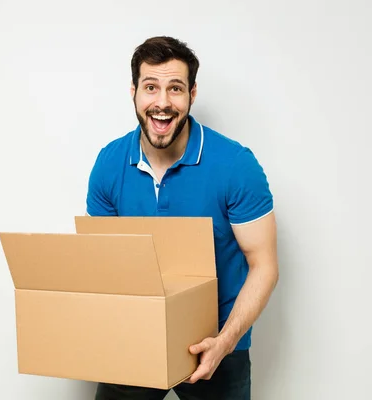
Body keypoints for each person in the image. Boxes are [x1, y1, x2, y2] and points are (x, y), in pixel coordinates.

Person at [85, 36, 279, 400]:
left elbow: (264, 265)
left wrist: (224, 341)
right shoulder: (109, 164)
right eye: (150, 87)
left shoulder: (236, 166)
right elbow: (104, 265)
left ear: (191, 93)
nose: (162, 102)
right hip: (134, 337)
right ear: (133, 92)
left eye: (175, 88)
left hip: (216, 343)